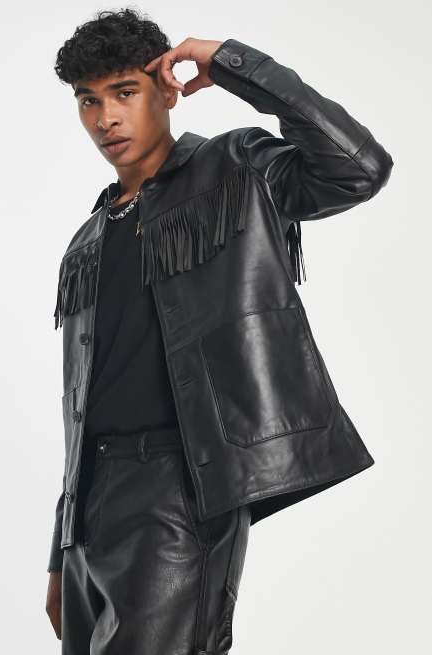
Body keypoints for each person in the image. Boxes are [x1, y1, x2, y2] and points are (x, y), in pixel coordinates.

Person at [45, 8, 393, 654]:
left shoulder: (234, 169)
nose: (105, 118)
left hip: (179, 490)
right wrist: (61, 547)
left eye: (124, 92)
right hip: (90, 508)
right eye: (88, 100)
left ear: (165, 90)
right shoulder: (87, 240)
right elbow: (81, 404)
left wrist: (231, 62)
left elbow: (358, 167)